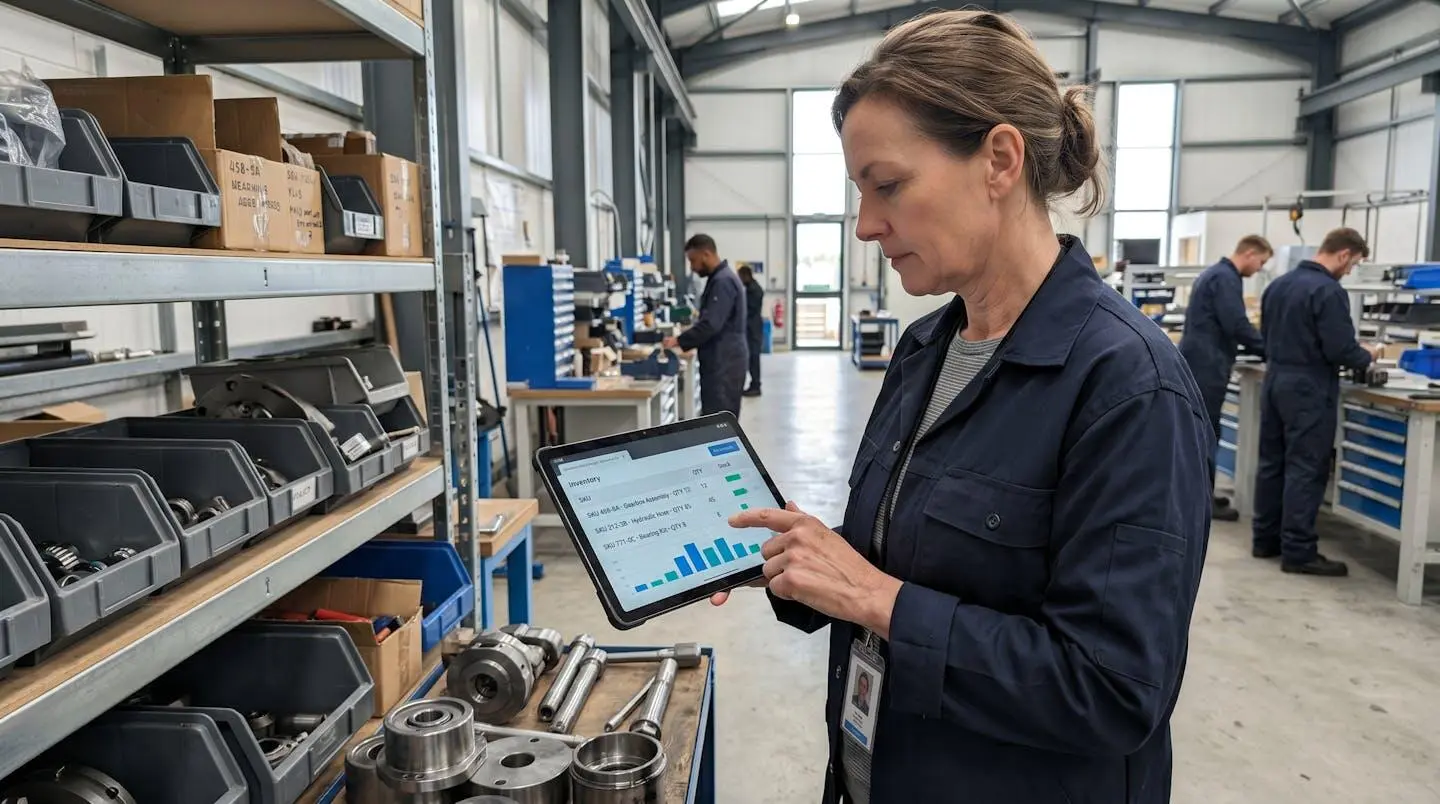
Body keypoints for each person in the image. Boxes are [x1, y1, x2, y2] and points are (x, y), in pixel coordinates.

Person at [710, 10, 1211, 803]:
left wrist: (878, 599)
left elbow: (1114, 689)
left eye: (889, 186)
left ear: (999, 160)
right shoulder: (923, 352)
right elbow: (912, 557)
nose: (868, 225)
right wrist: (804, 562)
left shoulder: (1128, 387)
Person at [1253, 227, 1380, 577]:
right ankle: (1298, 551)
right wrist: (1367, 356)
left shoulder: (1277, 286)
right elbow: (1340, 349)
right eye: (1352, 264)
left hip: (1275, 380)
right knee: (1306, 468)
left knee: (1272, 463)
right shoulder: (1328, 291)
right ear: (1343, 255)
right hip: (1309, 387)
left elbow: (1265, 336)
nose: (1350, 270)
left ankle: (1265, 539)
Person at [1178, 235, 1272, 522]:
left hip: (1202, 360)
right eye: (1261, 262)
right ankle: (1201, 501)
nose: (1259, 269)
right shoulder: (1225, 278)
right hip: (1207, 364)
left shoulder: (1215, 274)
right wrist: (1269, 350)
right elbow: (1236, 324)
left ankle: (1202, 493)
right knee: (1205, 433)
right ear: (1250, 253)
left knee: (1202, 431)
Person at [664, 234, 748, 416]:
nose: (692, 267)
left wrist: (678, 340)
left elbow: (711, 324)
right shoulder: (720, 278)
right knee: (719, 420)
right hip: (723, 359)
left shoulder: (722, 281)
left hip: (724, 362)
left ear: (706, 254)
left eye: (693, 260)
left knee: (721, 423)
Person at [737, 264, 766, 396]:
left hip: (753, 329)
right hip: (752, 327)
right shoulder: (751, 288)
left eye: (740, 276)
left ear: (746, 275)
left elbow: (747, 310)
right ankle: (754, 384)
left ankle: (756, 385)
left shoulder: (753, 290)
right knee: (751, 358)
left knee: (754, 358)